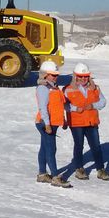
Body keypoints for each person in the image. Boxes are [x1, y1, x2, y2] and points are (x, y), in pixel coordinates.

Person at [64, 63, 109, 181]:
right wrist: (75, 108)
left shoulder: (95, 88)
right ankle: (79, 169)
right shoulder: (67, 89)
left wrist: (93, 105)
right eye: (81, 76)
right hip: (77, 123)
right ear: (76, 77)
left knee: (96, 146)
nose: (84, 79)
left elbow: (103, 102)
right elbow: (65, 105)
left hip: (91, 122)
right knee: (79, 146)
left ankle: (100, 169)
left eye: (86, 76)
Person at [35, 60, 72, 188]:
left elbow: (59, 106)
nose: (55, 77)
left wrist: (64, 120)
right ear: (45, 74)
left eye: (56, 75)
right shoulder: (43, 88)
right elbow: (43, 108)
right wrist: (47, 124)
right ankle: (55, 176)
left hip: (53, 123)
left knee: (45, 148)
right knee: (51, 149)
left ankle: (42, 174)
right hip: (45, 123)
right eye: (53, 74)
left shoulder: (54, 87)